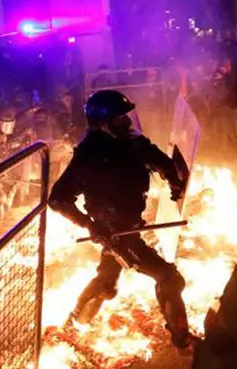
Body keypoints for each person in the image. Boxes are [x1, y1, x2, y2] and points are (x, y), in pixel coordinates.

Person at [49, 90, 192, 349]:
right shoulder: (89, 155)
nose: (126, 122)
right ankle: (183, 341)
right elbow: (58, 199)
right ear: (102, 121)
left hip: (128, 227)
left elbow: (159, 159)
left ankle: (74, 324)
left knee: (107, 284)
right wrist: (90, 224)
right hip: (114, 231)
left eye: (126, 117)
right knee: (169, 279)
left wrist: (174, 179)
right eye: (119, 118)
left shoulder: (131, 141)